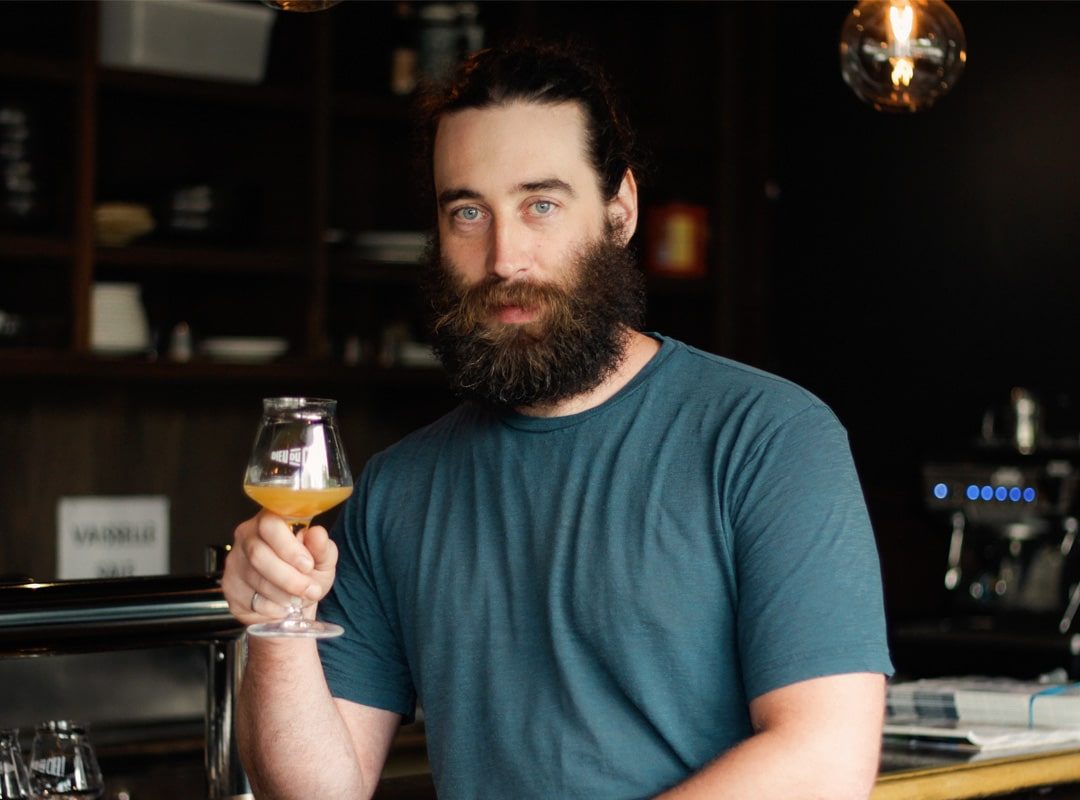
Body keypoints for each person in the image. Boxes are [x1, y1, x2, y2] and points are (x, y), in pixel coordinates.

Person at [222, 40, 893, 800]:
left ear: (619, 210)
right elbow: (313, 792)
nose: (504, 258)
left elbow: (825, 761)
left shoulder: (768, 438)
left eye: (540, 204)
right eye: (468, 212)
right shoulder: (395, 489)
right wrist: (276, 624)